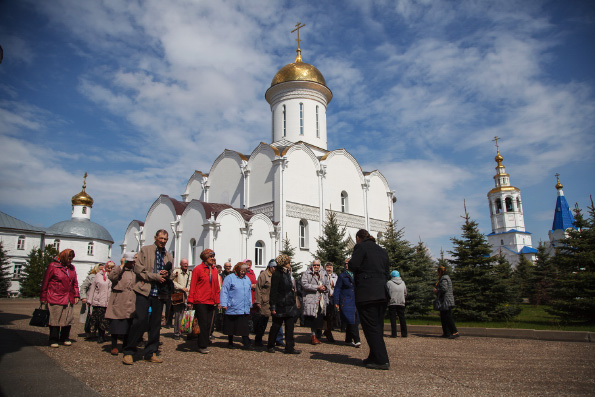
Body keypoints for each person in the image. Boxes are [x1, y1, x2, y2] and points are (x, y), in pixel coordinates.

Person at [122, 229, 173, 365]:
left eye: (165, 239)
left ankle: (151, 352)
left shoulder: (168, 255)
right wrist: (156, 276)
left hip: (159, 293)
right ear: (155, 237)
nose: (163, 241)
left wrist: (166, 274)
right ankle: (129, 351)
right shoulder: (146, 250)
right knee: (140, 320)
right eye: (161, 238)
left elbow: (171, 273)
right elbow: (139, 270)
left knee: (156, 324)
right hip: (144, 290)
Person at [349, 229, 390, 370]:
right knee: (377, 325)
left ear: (358, 238)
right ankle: (373, 356)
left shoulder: (361, 246)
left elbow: (353, 265)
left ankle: (381, 360)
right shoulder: (382, 250)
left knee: (370, 327)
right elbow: (386, 272)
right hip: (382, 292)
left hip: (367, 293)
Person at [40, 249, 80, 348]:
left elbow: (75, 283)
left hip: (68, 297)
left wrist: (76, 295)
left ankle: (64, 337)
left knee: (67, 318)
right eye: (68, 258)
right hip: (55, 296)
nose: (70, 260)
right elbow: (45, 282)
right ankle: (53, 339)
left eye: (72, 258)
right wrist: (43, 297)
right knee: (55, 318)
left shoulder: (72, 268)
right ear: (63, 257)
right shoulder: (53, 266)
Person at [187, 249, 221, 354]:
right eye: (210, 257)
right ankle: (202, 345)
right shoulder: (198, 269)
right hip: (200, 300)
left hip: (211, 301)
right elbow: (193, 285)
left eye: (213, 257)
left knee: (209, 324)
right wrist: (190, 300)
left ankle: (204, 341)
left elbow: (216, 287)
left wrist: (218, 301)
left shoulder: (214, 270)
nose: (212, 259)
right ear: (205, 258)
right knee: (203, 322)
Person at [267, 254, 300, 354]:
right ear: (284, 264)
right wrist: (273, 306)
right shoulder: (277, 274)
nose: (290, 264)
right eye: (288, 262)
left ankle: (290, 347)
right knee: (276, 326)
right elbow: (273, 291)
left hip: (289, 304)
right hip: (280, 305)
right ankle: (270, 345)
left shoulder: (287, 273)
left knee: (290, 327)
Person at [106, 252, 136, 355]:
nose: (131, 263)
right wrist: (122, 265)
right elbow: (112, 276)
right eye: (130, 261)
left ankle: (125, 345)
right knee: (116, 323)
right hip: (119, 300)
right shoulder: (118, 269)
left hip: (130, 300)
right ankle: (114, 345)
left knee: (128, 324)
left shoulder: (134, 271)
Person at [220, 263, 253, 349]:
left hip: (244, 306)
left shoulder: (247, 279)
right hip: (233, 305)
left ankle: (246, 343)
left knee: (244, 326)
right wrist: (223, 303)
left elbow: (249, 292)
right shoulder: (229, 278)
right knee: (231, 325)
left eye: (244, 271)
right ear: (237, 269)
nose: (243, 272)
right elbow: (224, 291)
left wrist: (250, 303)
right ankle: (230, 342)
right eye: (241, 270)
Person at [301, 259, 330, 345]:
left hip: (321, 299)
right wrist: (317, 287)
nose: (316, 267)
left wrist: (324, 288)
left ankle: (317, 335)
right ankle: (313, 336)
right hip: (311, 299)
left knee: (319, 318)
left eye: (317, 265)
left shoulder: (324, 273)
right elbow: (304, 284)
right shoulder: (307, 273)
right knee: (312, 318)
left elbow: (327, 284)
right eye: (314, 265)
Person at [334, 260, 361, 347]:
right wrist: (336, 301)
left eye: (348, 263)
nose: (346, 265)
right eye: (345, 264)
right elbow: (337, 289)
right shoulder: (342, 276)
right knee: (351, 319)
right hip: (346, 301)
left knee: (353, 319)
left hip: (355, 300)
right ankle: (357, 339)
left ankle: (348, 339)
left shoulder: (356, 275)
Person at [87, 261, 114, 343]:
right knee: (98, 319)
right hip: (98, 301)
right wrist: (89, 299)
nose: (109, 269)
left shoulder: (113, 277)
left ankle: (102, 335)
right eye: (108, 267)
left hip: (108, 301)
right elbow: (92, 288)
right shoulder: (98, 276)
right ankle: (98, 335)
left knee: (105, 320)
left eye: (111, 268)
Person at [254, 259, 275, 346]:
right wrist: (258, 301)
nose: (275, 269)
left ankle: (276, 340)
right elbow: (258, 289)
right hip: (264, 302)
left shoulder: (275, 275)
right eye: (274, 267)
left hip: (273, 301)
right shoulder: (263, 275)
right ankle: (258, 339)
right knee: (263, 321)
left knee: (276, 321)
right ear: (270, 267)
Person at [434, 266, 459, 339]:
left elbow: (444, 289)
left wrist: (437, 291)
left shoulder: (444, 278)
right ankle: (446, 332)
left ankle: (455, 332)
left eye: (438, 271)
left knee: (448, 316)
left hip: (446, 301)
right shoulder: (444, 278)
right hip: (444, 300)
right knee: (443, 317)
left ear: (440, 272)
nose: (437, 273)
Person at [79, 263, 103, 338]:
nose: (102, 271)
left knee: (98, 317)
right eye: (100, 269)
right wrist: (83, 297)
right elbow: (83, 287)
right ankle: (88, 331)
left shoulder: (104, 277)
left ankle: (96, 332)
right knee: (89, 316)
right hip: (91, 299)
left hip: (100, 300)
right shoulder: (91, 277)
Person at [170, 258, 191, 340]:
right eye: (184, 263)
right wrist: (182, 288)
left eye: (187, 263)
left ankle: (185, 331)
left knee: (186, 313)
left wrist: (188, 289)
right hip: (178, 294)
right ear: (181, 264)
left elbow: (190, 282)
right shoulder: (176, 272)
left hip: (187, 295)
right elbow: (172, 282)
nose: (186, 265)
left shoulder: (190, 273)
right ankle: (176, 332)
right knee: (178, 314)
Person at [386, 270, 407, 338]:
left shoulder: (389, 283)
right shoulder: (403, 283)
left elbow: (387, 292)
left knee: (393, 319)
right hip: (401, 302)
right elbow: (405, 293)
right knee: (402, 318)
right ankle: (404, 333)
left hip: (392, 303)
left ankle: (394, 334)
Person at [323, 262, 338, 341]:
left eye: (330, 267)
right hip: (324, 297)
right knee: (322, 316)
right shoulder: (323, 276)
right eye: (328, 267)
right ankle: (319, 331)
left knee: (331, 316)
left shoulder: (335, 276)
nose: (329, 269)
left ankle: (328, 331)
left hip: (332, 298)